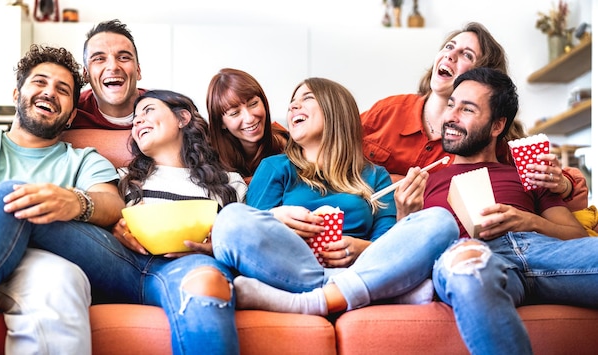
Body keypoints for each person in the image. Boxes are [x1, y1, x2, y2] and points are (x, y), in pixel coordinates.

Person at [0, 88, 247, 354]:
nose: (138, 120)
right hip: (118, 262)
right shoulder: (122, 176)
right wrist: (113, 223)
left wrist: (216, 245)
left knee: (207, 283)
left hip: (188, 265)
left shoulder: (229, 183)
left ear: (182, 118)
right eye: (135, 119)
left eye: (148, 111)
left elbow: (246, 244)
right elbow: (103, 211)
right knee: (15, 195)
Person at [210, 77, 458, 316]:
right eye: (292, 101)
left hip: (359, 265)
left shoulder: (374, 176)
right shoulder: (275, 167)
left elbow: (388, 244)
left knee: (440, 221)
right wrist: (273, 217)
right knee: (231, 219)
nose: (293, 105)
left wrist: (365, 248)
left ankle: (312, 299)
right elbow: (253, 234)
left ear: (335, 110)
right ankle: (373, 290)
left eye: (306, 98)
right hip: (289, 265)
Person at [421, 67, 597, 354]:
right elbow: (409, 251)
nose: (450, 117)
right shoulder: (426, 179)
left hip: (541, 250)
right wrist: (406, 211)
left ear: (496, 126)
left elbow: (576, 237)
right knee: (467, 268)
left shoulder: (527, 174)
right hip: (473, 254)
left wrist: (529, 221)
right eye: (451, 105)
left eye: (467, 109)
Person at [0, 45, 124, 355]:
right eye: (40, 82)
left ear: (70, 116)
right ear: (16, 94)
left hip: (33, 261)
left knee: (63, 279)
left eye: (62, 89)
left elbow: (113, 205)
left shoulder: (83, 161)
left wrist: (76, 201)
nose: (49, 92)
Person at [360, 22, 582, 210]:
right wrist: (386, 182)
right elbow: (332, 152)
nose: (450, 54)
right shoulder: (388, 111)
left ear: (481, 77)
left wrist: (564, 184)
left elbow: (570, 187)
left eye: (466, 54)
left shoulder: (488, 142)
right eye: (449, 46)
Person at [206, 68, 288, 184]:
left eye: (253, 104)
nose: (249, 118)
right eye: (235, 113)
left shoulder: (286, 142)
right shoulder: (207, 156)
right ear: (221, 123)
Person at [71, 19, 147, 129]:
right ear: (86, 74)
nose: (113, 67)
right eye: (99, 59)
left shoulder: (165, 109)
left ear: (138, 71)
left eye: (124, 58)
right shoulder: (71, 112)